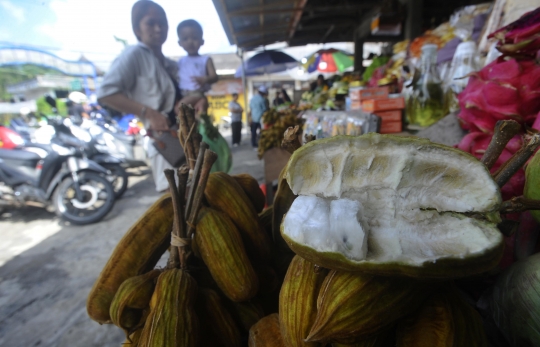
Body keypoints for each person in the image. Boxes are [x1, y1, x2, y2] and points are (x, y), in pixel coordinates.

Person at [97, 0, 180, 192]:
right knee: (174, 197)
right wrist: (148, 112)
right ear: (137, 29)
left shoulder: (170, 64)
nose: (158, 28)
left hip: (182, 133)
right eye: (151, 23)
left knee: (196, 192)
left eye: (163, 23)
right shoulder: (133, 55)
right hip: (163, 140)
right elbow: (106, 93)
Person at [176, 19, 218, 116]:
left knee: (179, 110)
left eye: (194, 38)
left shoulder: (205, 59)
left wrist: (205, 79)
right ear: (180, 43)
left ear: (202, 41)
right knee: (194, 117)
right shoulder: (180, 61)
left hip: (196, 93)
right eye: (185, 39)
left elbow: (215, 77)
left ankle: (202, 100)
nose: (190, 42)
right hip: (184, 94)